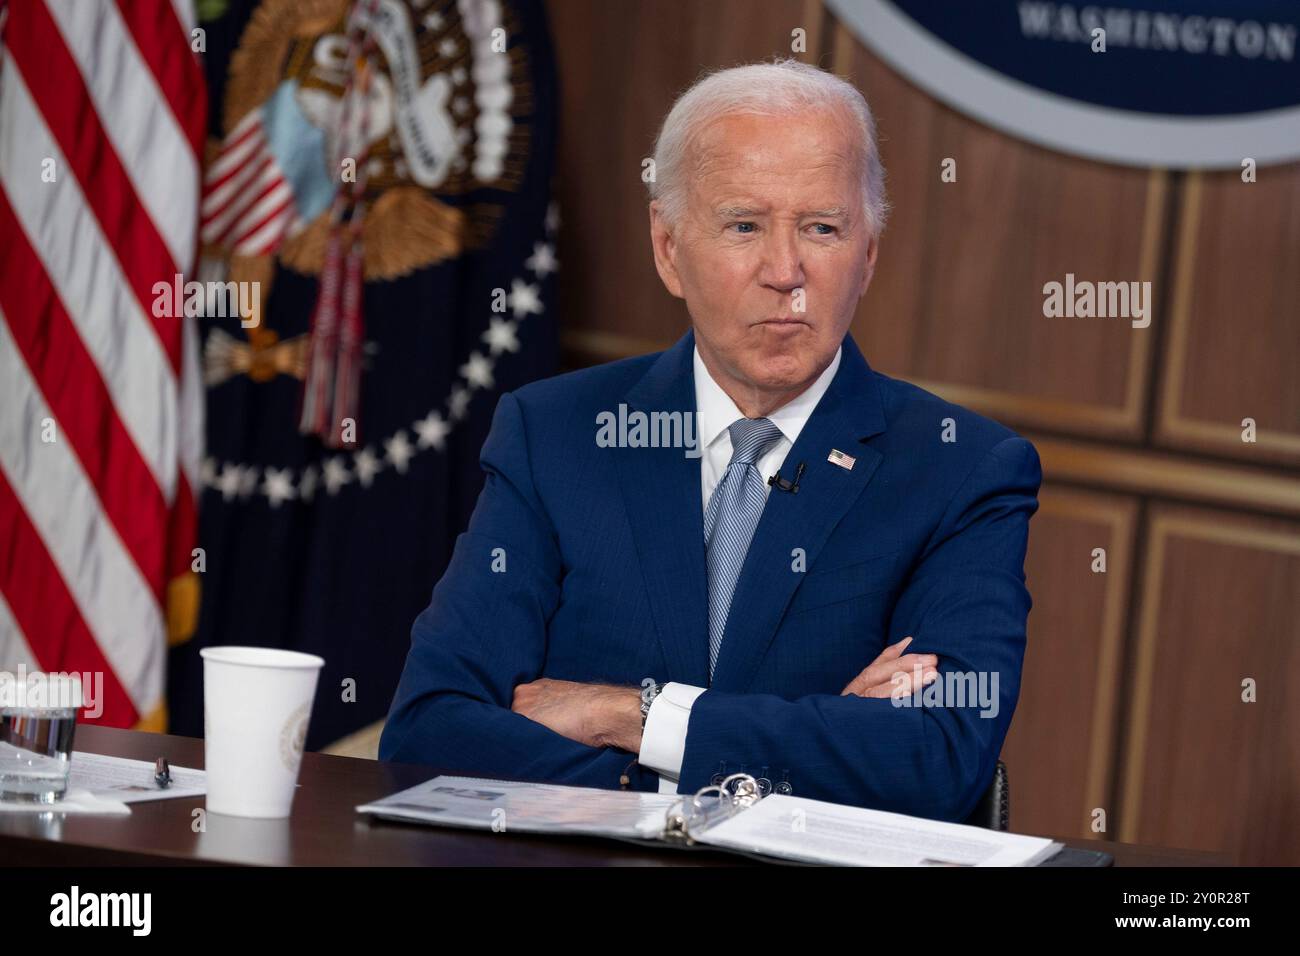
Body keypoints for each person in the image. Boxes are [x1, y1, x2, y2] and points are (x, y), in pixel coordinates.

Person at [380, 59, 1041, 822]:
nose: (786, 273)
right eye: (744, 226)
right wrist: (749, 766)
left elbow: (936, 758)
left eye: (822, 228)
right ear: (668, 249)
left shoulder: (962, 470)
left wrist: (631, 716)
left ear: (868, 256)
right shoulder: (555, 434)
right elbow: (429, 730)